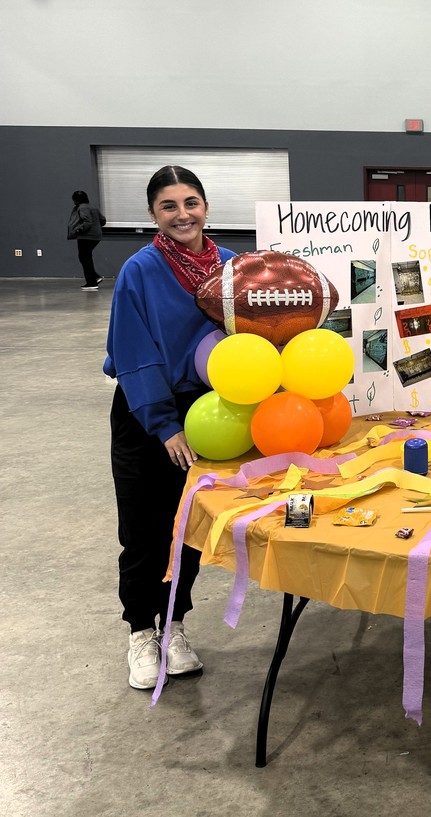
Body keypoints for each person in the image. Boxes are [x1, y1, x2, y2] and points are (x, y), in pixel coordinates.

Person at [104, 166, 235, 689]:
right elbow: (134, 353)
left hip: (212, 413)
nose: (183, 214)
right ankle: (140, 632)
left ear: (206, 206)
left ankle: (175, 626)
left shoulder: (231, 268)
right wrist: (163, 424)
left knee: (189, 528)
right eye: (169, 206)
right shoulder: (140, 269)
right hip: (146, 413)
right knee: (144, 528)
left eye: (191, 203)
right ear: (153, 213)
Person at [67, 191, 106, 291]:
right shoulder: (93, 207)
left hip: (86, 236)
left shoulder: (82, 208)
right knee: (86, 257)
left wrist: (78, 230)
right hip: (96, 236)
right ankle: (95, 277)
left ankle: (92, 282)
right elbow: (103, 220)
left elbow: (87, 221)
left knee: (85, 258)